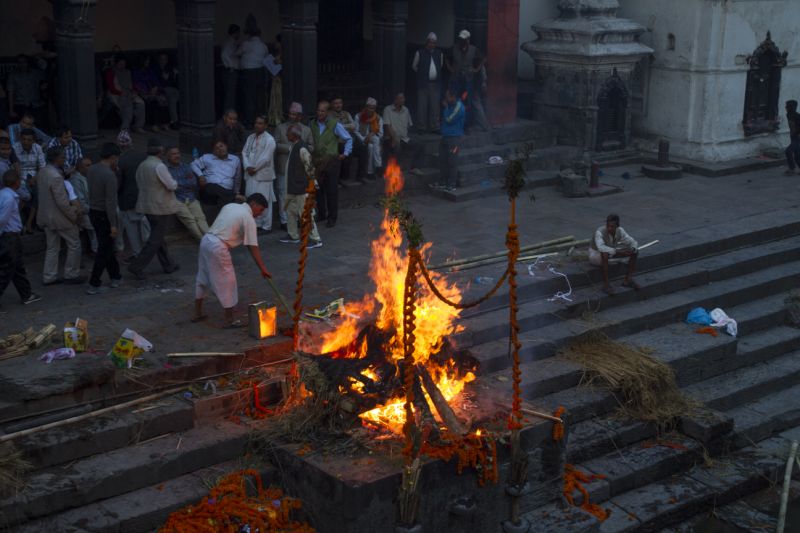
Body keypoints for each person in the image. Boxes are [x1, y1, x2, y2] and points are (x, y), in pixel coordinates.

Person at [192, 193, 272, 328]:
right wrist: (263, 269)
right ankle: (230, 320)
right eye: (260, 210)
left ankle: (197, 313)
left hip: (206, 240)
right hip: (218, 246)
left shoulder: (231, 206)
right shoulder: (248, 218)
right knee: (228, 282)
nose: (260, 214)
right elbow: (253, 247)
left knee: (202, 277)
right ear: (254, 204)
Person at [126, 138, 180, 280]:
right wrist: (175, 182)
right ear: (161, 151)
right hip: (160, 206)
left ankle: (168, 264)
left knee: (158, 237)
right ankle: (137, 266)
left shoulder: (142, 165)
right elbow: (172, 185)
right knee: (155, 239)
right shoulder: (159, 166)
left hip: (147, 206)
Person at [37, 146, 83, 285]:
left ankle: (49, 276)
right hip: (59, 218)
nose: (64, 159)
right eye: (62, 157)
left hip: (46, 216)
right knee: (74, 244)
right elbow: (62, 203)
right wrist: (73, 216)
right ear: (57, 159)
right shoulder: (56, 176)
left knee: (52, 247)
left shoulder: (43, 172)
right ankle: (71, 274)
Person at [0, 169, 41, 305]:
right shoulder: (10, 198)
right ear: (17, 183)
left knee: (17, 267)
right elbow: (2, 220)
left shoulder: (4, 194)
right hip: (9, 237)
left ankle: (26, 294)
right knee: (6, 270)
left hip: (10, 236)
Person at [86, 143, 123, 294]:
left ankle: (115, 276)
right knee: (104, 249)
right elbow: (110, 202)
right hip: (104, 214)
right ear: (113, 158)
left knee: (107, 247)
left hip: (93, 212)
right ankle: (94, 282)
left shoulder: (92, 169)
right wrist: (113, 224)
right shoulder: (109, 175)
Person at [278, 125, 321, 248]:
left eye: (288, 134)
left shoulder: (302, 148)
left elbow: (310, 166)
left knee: (306, 213)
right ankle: (293, 235)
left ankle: (315, 238)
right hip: (293, 187)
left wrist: (313, 183)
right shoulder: (294, 146)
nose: (286, 135)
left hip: (301, 188)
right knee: (290, 212)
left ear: (294, 135)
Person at [311, 100, 352, 228]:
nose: (320, 113)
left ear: (328, 112)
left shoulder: (335, 124)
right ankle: (322, 214)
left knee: (331, 190)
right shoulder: (312, 124)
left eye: (323, 111)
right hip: (317, 160)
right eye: (318, 110)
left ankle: (332, 217)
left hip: (332, 161)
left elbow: (348, 138)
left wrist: (345, 153)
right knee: (318, 189)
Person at [275, 102, 313, 230]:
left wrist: (300, 149)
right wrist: (291, 148)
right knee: (282, 194)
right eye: (290, 113)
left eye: (294, 114)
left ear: (300, 116)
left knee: (298, 195)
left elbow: (312, 147)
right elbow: (274, 145)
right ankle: (284, 221)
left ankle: (297, 219)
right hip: (283, 167)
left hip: (299, 170)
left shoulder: (306, 130)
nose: (291, 116)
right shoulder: (280, 128)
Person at [447, 29, 490, 132]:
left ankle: (466, 125)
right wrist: (451, 69)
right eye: (460, 39)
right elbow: (446, 58)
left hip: (468, 81)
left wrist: (476, 69)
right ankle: (455, 123)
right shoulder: (454, 48)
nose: (461, 41)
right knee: (455, 101)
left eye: (464, 39)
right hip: (456, 81)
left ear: (468, 40)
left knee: (467, 103)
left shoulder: (473, 49)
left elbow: (483, 59)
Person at [116, 131, 150, 261]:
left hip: (128, 201)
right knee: (145, 227)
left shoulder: (121, 161)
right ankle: (148, 252)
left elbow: (119, 183)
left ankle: (138, 254)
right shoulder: (143, 156)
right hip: (144, 199)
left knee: (132, 231)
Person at [589, 214, 640, 295]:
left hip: (611, 252)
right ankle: (606, 285)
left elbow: (632, 241)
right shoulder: (599, 232)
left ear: (617, 226)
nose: (609, 228)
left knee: (635, 251)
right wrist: (619, 252)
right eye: (608, 226)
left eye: (612, 226)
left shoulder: (620, 230)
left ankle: (628, 280)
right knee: (605, 253)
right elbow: (601, 248)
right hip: (595, 255)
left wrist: (633, 249)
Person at [165, 146, 209, 241]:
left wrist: (177, 183)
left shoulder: (186, 166)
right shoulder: (165, 169)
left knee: (201, 218)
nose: (177, 156)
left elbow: (193, 183)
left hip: (191, 197)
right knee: (190, 221)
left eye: (178, 153)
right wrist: (183, 182)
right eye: (173, 154)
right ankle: (203, 241)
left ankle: (210, 239)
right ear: (167, 156)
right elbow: (171, 186)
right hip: (176, 199)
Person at [242, 115, 277, 233]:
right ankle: (255, 225)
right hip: (251, 174)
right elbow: (244, 153)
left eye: (261, 123)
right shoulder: (250, 137)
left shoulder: (270, 139)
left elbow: (266, 158)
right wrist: (247, 167)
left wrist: (254, 169)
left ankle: (266, 226)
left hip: (263, 175)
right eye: (256, 123)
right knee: (252, 199)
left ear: (266, 125)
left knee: (264, 201)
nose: (257, 125)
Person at [191, 140, 244, 209]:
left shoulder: (235, 159)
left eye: (221, 146)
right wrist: (200, 175)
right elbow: (193, 164)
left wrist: (237, 192)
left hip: (226, 191)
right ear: (214, 152)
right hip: (210, 191)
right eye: (217, 148)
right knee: (212, 187)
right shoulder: (207, 157)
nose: (220, 149)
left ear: (226, 146)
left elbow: (237, 178)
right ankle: (233, 197)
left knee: (222, 202)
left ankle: (230, 199)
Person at [432, 89, 465, 192]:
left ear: (453, 97)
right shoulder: (451, 105)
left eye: (448, 96)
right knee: (443, 160)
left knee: (452, 162)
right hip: (445, 137)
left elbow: (449, 119)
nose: (446, 99)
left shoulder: (459, 107)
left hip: (454, 139)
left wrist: (446, 108)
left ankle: (451, 184)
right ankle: (442, 182)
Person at [12, 128, 44, 232]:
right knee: (28, 195)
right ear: (20, 139)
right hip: (19, 178)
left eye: (29, 140)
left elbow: (42, 167)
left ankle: (29, 222)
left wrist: (35, 178)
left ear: (33, 140)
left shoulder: (38, 148)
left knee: (38, 193)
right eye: (24, 139)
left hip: (34, 176)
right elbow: (13, 167)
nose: (26, 142)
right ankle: (25, 223)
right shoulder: (15, 148)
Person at [237, 21, 268, 127]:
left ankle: (249, 121)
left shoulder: (245, 44)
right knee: (258, 97)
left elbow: (237, 53)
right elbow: (266, 58)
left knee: (248, 97)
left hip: (247, 73)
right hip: (259, 72)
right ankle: (259, 120)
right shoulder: (263, 46)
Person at [412, 32, 444, 132]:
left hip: (435, 84)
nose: (432, 45)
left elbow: (441, 65)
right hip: (423, 84)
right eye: (431, 42)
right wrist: (422, 74)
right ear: (427, 42)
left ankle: (434, 126)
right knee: (422, 106)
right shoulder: (419, 52)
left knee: (435, 107)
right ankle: (421, 127)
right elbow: (414, 66)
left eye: (434, 43)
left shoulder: (439, 53)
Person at [105, 57, 146, 133]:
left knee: (141, 103)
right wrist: (121, 93)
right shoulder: (111, 72)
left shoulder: (127, 72)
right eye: (120, 64)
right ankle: (125, 128)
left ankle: (138, 126)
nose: (122, 66)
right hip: (116, 94)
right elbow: (111, 88)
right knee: (127, 104)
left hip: (128, 93)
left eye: (124, 64)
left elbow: (131, 85)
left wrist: (135, 91)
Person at [383, 92, 422, 169]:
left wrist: (405, 134)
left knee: (419, 144)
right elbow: (387, 126)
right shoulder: (388, 109)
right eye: (400, 98)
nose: (403, 100)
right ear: (395, 100)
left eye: (403, 98)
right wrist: (394, 137)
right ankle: (395, 169)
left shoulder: (406, 110)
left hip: (404, 138)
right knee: (397, 146)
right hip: (391, 138)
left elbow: (409, 125)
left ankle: (414, 167)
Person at [133, 55, 170, 131]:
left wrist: (156, 87)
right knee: (153, 101)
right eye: (146, 61)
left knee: (164, 99)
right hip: (143, 93)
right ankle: (153, 124)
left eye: (148, 61)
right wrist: (147, 91)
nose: (147, 62)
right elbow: (136, 84)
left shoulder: (150, 71)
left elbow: (156, 82)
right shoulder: (136, 72)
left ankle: (164, 123)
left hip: (154, 91)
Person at [329, 96, 361, 183]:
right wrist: (347, 127)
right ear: (332, 105)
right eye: (336, 103)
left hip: (348, 140)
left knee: (363, 148)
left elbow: (354, 126)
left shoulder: (347, 114)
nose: (338, 105)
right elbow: (333, 128)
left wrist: (341, 127)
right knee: (345, 151)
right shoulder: (329, 115)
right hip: (336, 141)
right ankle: (342, 177)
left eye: (339, 103)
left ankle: (361, 176)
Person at [7, 55, 46, 126]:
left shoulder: (36, 73)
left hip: (36, 105)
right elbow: (11, 93)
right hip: (21, 105)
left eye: (24, 62)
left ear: (28, 63)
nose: (22, 64)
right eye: (19, 62)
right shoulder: (13, 75)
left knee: (38, 127)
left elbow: (45, 76)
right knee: (24, 127)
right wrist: (11, 110)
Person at [70, 156, 98, 254]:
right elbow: (80, 202)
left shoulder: (91, 176)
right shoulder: (75, 180)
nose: (90, 167)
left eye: (91, 165)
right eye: (87, 166)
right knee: (94, 233)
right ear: (80, 168)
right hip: (85, 211)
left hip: (95, 208)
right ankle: (96, 252)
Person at [354, 97, 384, 182]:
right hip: (361, 140)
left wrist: (371, 135)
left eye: (373, 108)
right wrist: (364, 139)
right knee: (370, 147)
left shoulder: (378, 118)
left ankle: (372, 170)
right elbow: (356, 132)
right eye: (369, 107)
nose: (371, 110)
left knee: (375, 142)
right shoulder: (358, 116)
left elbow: (380, 133)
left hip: (373, 138)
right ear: (366, 107)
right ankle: (375, 168)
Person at [154, 53, 180, 129]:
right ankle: (174, 122)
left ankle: (174, 121)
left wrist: (174, 76)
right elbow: (156, 82)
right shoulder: (156, 69)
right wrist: (164, 80)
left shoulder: (170, 68)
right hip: (161, 89)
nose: (163, 61)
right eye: (161, 59)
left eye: (165, 59)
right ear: (158, 60)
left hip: (172, 91)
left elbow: (173, 82)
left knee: (172, 99)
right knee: (172, 95)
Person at [221, 24, 241, 114]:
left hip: (231, 71)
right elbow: (224, 55)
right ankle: (228, 114)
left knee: (231, 95)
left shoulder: (232, 42)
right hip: (230, 71)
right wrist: (230, 66)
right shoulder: (229, 42)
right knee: (230, 95)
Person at [785, 100, 800, 175]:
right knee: (797, 155)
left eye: (787, 106)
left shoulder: (798, 116)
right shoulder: (788, 115)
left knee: (788, 151)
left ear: (792, 107)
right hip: (793, 136)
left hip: (797, 137)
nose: (785, 108)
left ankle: (792, 168)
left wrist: (796, 134)